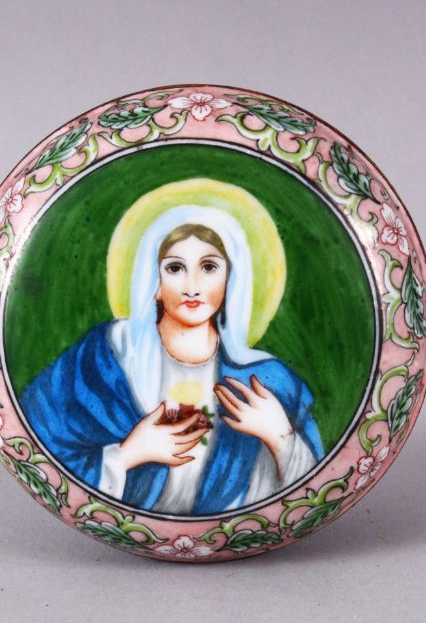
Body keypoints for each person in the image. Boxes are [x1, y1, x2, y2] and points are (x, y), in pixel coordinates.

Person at [20, 205, 324, 515]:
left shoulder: (263, 381)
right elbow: (35, 449)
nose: (192, 287)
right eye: (175, 268)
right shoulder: (106, 359)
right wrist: (128, 454)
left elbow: (308, 497)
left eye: (209, 267)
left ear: (231, 279)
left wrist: (280, 437)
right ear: (153, 282)